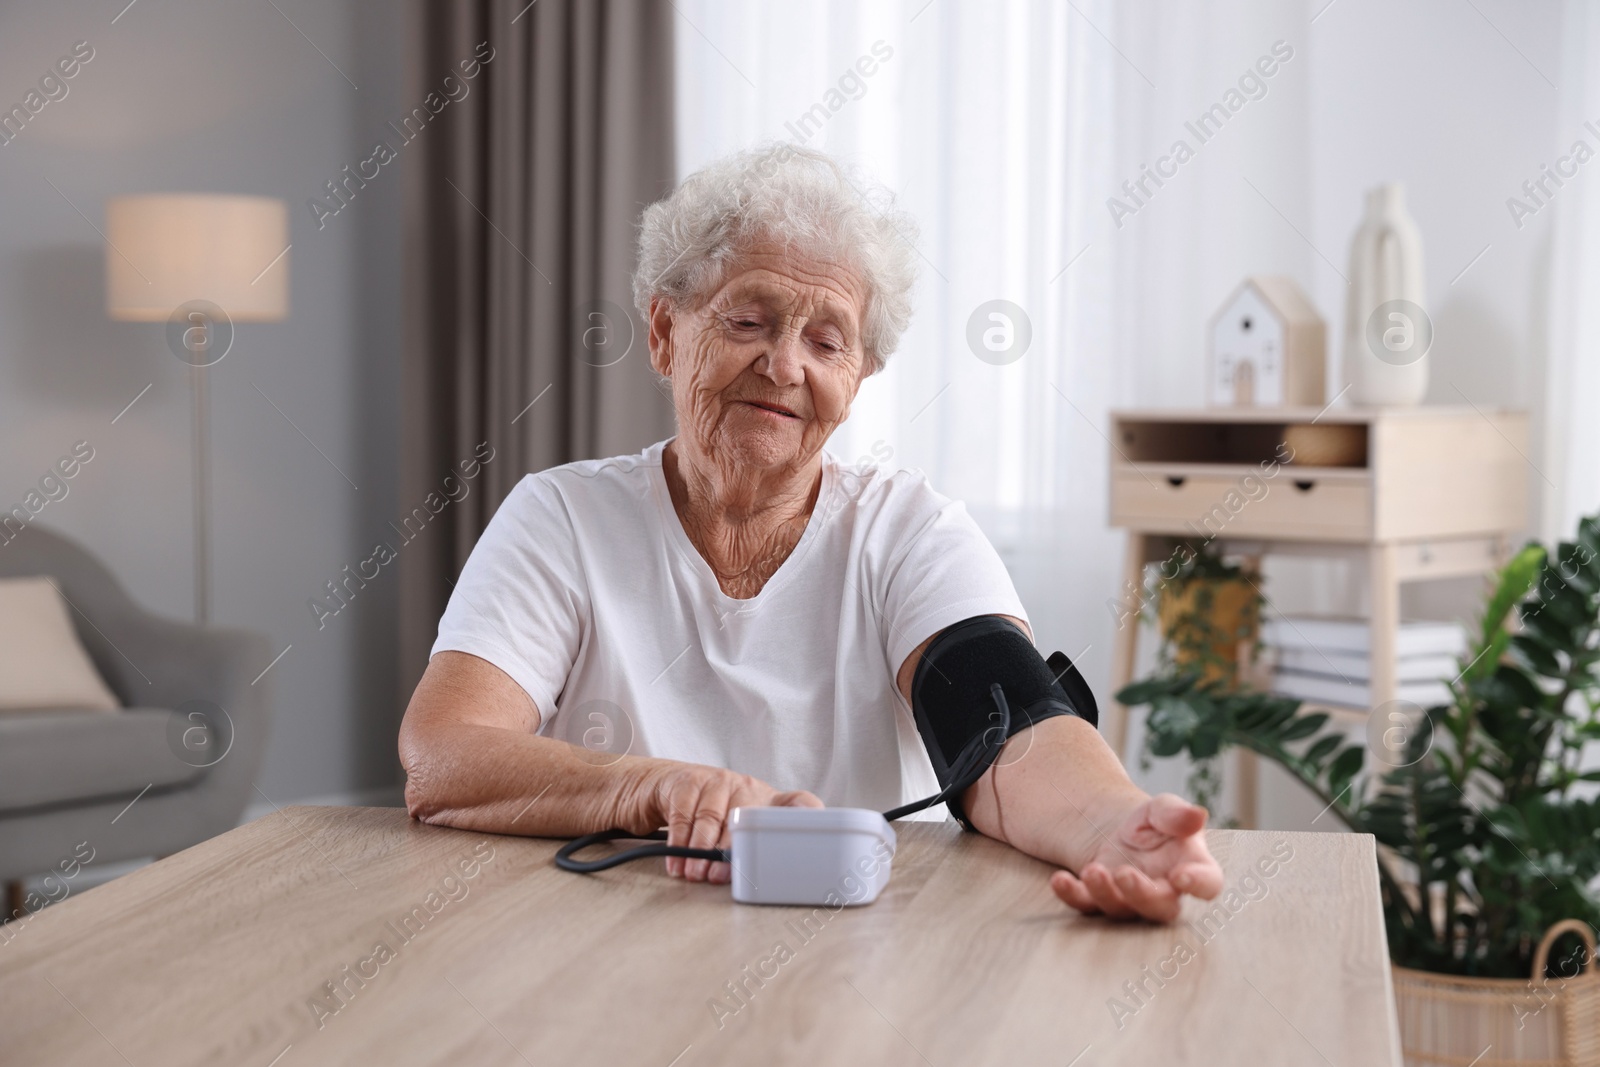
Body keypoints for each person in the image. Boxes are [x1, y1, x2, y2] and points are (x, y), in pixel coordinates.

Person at [398, 144, 1222, 922]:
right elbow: (444, 755)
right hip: (600, 944)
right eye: (748, 321)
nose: (785, 366)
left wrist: (1111, 827)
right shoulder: (562, 518)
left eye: (827, 340)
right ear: (663, 332)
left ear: (857, 377)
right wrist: (662, 788)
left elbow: (1004, 728)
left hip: (850, 952)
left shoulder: (910, 531)